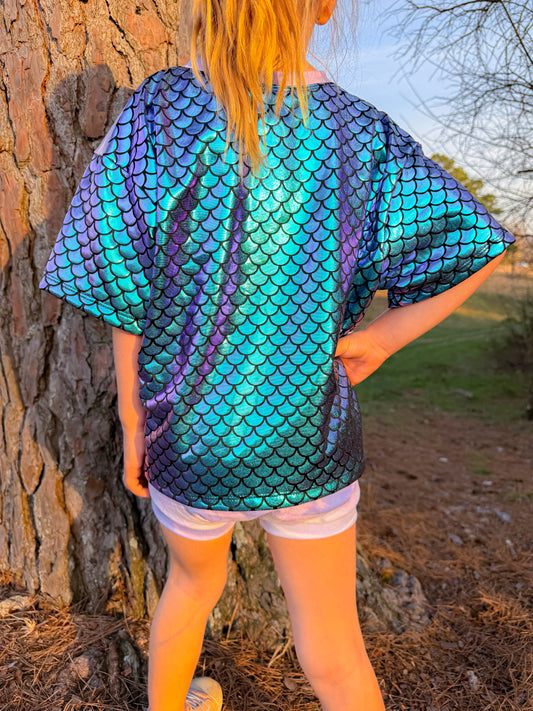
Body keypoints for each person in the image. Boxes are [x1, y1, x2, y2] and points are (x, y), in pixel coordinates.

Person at [38, 0, 516, 708]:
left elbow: (117, 275)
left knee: (189, 588)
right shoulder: (357, 133)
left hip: (190, 439)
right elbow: (477, 244)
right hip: (306, 438)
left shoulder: (159, 111)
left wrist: (133, 418)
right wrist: (383, 338)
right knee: (334, 652)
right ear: (322, 8)